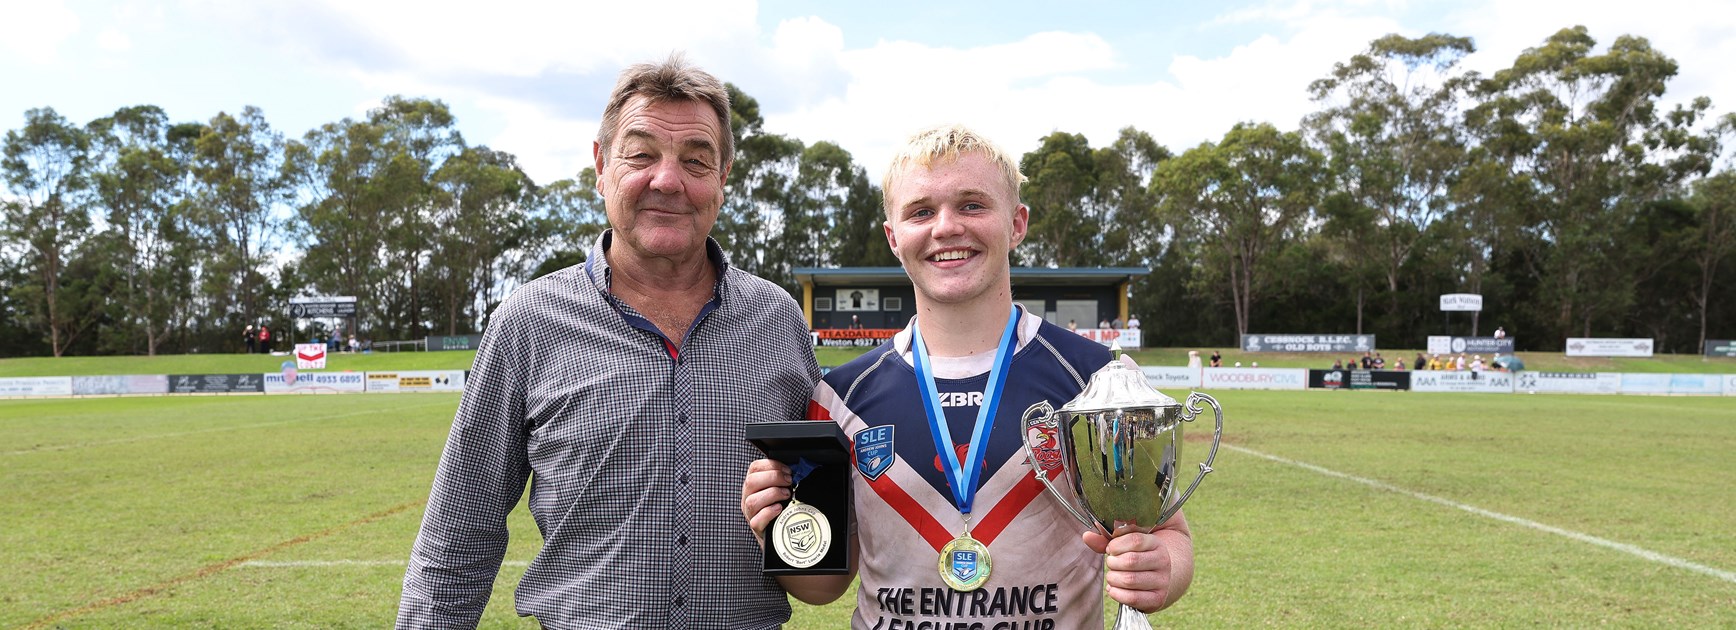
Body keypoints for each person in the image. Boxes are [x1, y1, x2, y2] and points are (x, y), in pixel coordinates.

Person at [398, 56, 820, 629]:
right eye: (641, 154)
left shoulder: (778, 321)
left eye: (695, 160)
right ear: (601, 165)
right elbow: (456, 538)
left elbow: (817, 517)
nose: (667, 180)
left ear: (723, 179)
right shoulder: (530, 320)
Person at [741, 125, 1192, 628]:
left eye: (973, 205)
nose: (946, 227)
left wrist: (1160, 567)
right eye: (921, 212)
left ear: (1017, 223)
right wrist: (776, 527)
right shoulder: (840, 398)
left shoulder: (1099, 382)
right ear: (894, 237)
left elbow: (1170, 533)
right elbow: (823, 586)